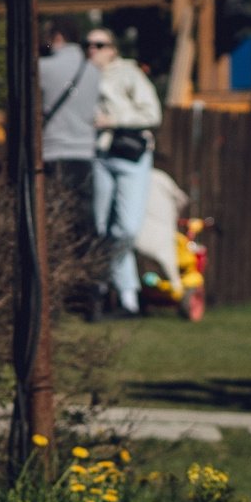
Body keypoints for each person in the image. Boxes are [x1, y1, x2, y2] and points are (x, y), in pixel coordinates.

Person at [88, 26, 163, 317]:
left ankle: (109, 287)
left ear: (112, 49)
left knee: (126, 229)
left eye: (99, 44)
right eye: (88, 44)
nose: (92, 49)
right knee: (100, 228)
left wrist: (114, 120)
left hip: (130, 156)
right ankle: (125, 299)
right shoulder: (82, 76)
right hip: (99, 155)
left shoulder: (129, 74)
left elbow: (152, 113)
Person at [39, 16, 102, 291]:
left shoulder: (42, 68)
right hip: (84, 157)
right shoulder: (93, 70)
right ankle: (88, 289)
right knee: (83, 225)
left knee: (53, 223)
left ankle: (56, 286)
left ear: (57, 36)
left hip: (53, 154)